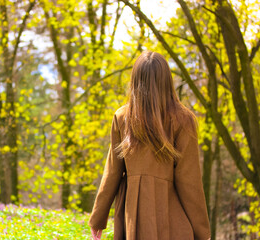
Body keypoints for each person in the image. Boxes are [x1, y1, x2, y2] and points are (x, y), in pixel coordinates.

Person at [88, 51, 211, 240]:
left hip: (132, 218)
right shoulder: (183, 120)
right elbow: (190, 182)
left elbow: (112, 172)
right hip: (172, 219)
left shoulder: (122, 117)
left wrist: (98, 219)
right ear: (167, 81)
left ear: (136, 81)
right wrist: (203, 233)